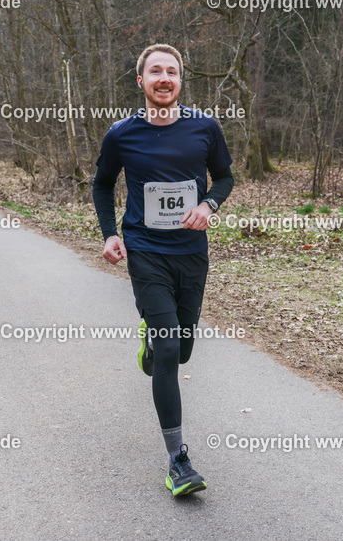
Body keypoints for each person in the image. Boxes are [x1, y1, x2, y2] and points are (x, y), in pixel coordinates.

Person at [92, 43, 233, 497]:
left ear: (180, 80)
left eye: (172, 71)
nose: (164, 78)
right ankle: (178, 460)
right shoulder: (121, 134)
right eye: (155, 72)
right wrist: (110, 234)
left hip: (191, 252)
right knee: (172, 347)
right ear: (141, 81)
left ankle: (152, 344)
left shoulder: (205, 128)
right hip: (145, 250)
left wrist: (209, 204)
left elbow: (225, 177)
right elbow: (101, 184)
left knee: (180, 349)